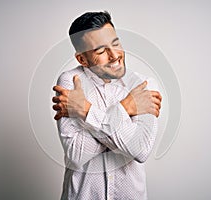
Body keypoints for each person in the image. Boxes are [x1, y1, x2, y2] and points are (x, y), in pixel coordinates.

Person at [52, 11, 162, 200]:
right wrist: (125, 108)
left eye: (116, 43)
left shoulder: (144, 85)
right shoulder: (70, 81)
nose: (114, 55)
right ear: (82, 59)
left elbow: (140, 150)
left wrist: (85, 110)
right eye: (101, 51)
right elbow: (77, 155)